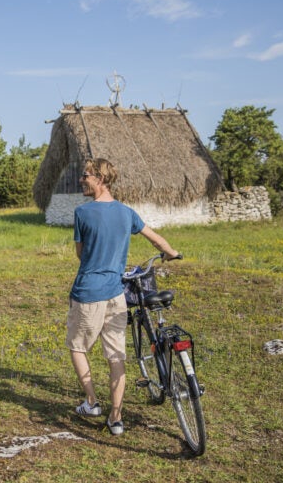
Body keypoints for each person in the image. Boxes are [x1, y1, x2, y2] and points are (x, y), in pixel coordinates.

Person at [68, 158, 180, 436]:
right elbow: (154, 238)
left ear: (100, 179)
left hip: (88, 293)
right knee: (116, 356)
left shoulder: (83, 213)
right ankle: (116, 419)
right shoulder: (127, 213)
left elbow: (81, 255)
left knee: (78, 347)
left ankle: (92, 402)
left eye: (86, 175)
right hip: (117, 295)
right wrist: (172, 253)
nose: (82, 179)